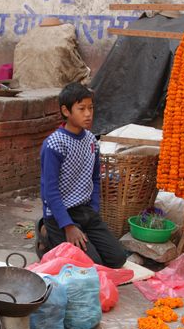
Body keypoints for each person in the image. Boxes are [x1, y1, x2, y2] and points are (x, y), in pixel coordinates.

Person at [37, 83, 128, 268]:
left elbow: (95, 178)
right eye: (81, 109)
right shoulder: (54, 144)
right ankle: (47, 238)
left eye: (90, 108)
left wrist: (93, 209)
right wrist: (68, 226)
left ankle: (77, 239)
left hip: (85, 211)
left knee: (118, 258)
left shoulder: (91, 140)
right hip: (59, 215)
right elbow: (50, 191)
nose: (88, 114)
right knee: (91, 265)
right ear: (66, 111)